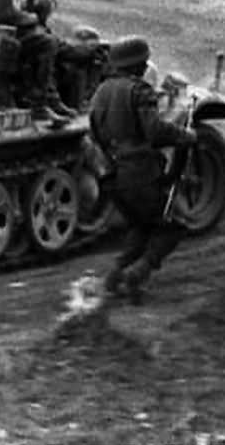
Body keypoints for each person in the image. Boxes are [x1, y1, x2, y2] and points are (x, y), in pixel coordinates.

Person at [89, 36, 198, 304]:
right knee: (174, 227)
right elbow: (154, 132)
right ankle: (137, 275)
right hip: (141, 174)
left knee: (141, 226)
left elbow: (94, 131)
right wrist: (186, 136)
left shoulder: (101, 91)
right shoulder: (140, 91)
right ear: (139, 65)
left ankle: (113, 277)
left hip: (114, 175)